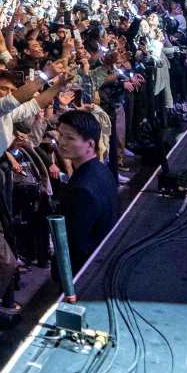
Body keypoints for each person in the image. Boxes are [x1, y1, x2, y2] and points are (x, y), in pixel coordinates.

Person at [50, 108, 119, 273]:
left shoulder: (81, 190)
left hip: (86, 271)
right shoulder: (102, 170)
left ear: (90, 144)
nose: (62, 142)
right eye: (61, 135)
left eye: (70, 138)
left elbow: (76, 243)